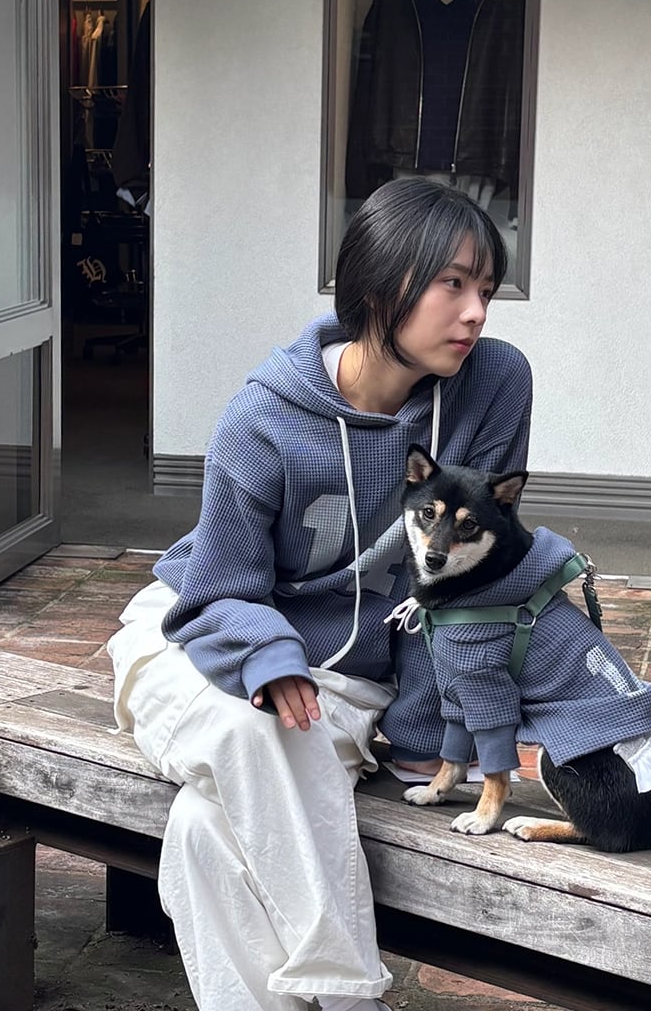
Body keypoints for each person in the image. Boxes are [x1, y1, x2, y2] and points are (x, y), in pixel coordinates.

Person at [107, 176, 532, 1011]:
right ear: (377, 288)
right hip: (197, 635)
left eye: (485, 289)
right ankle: (348, 993)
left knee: (205, 827)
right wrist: (265, 653)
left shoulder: (491, 385)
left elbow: (463, 576)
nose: (475, 313)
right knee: (247, 730)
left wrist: (425, 729)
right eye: (452, 284)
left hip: (337, 677)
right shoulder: (262, 419)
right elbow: (216, 587)